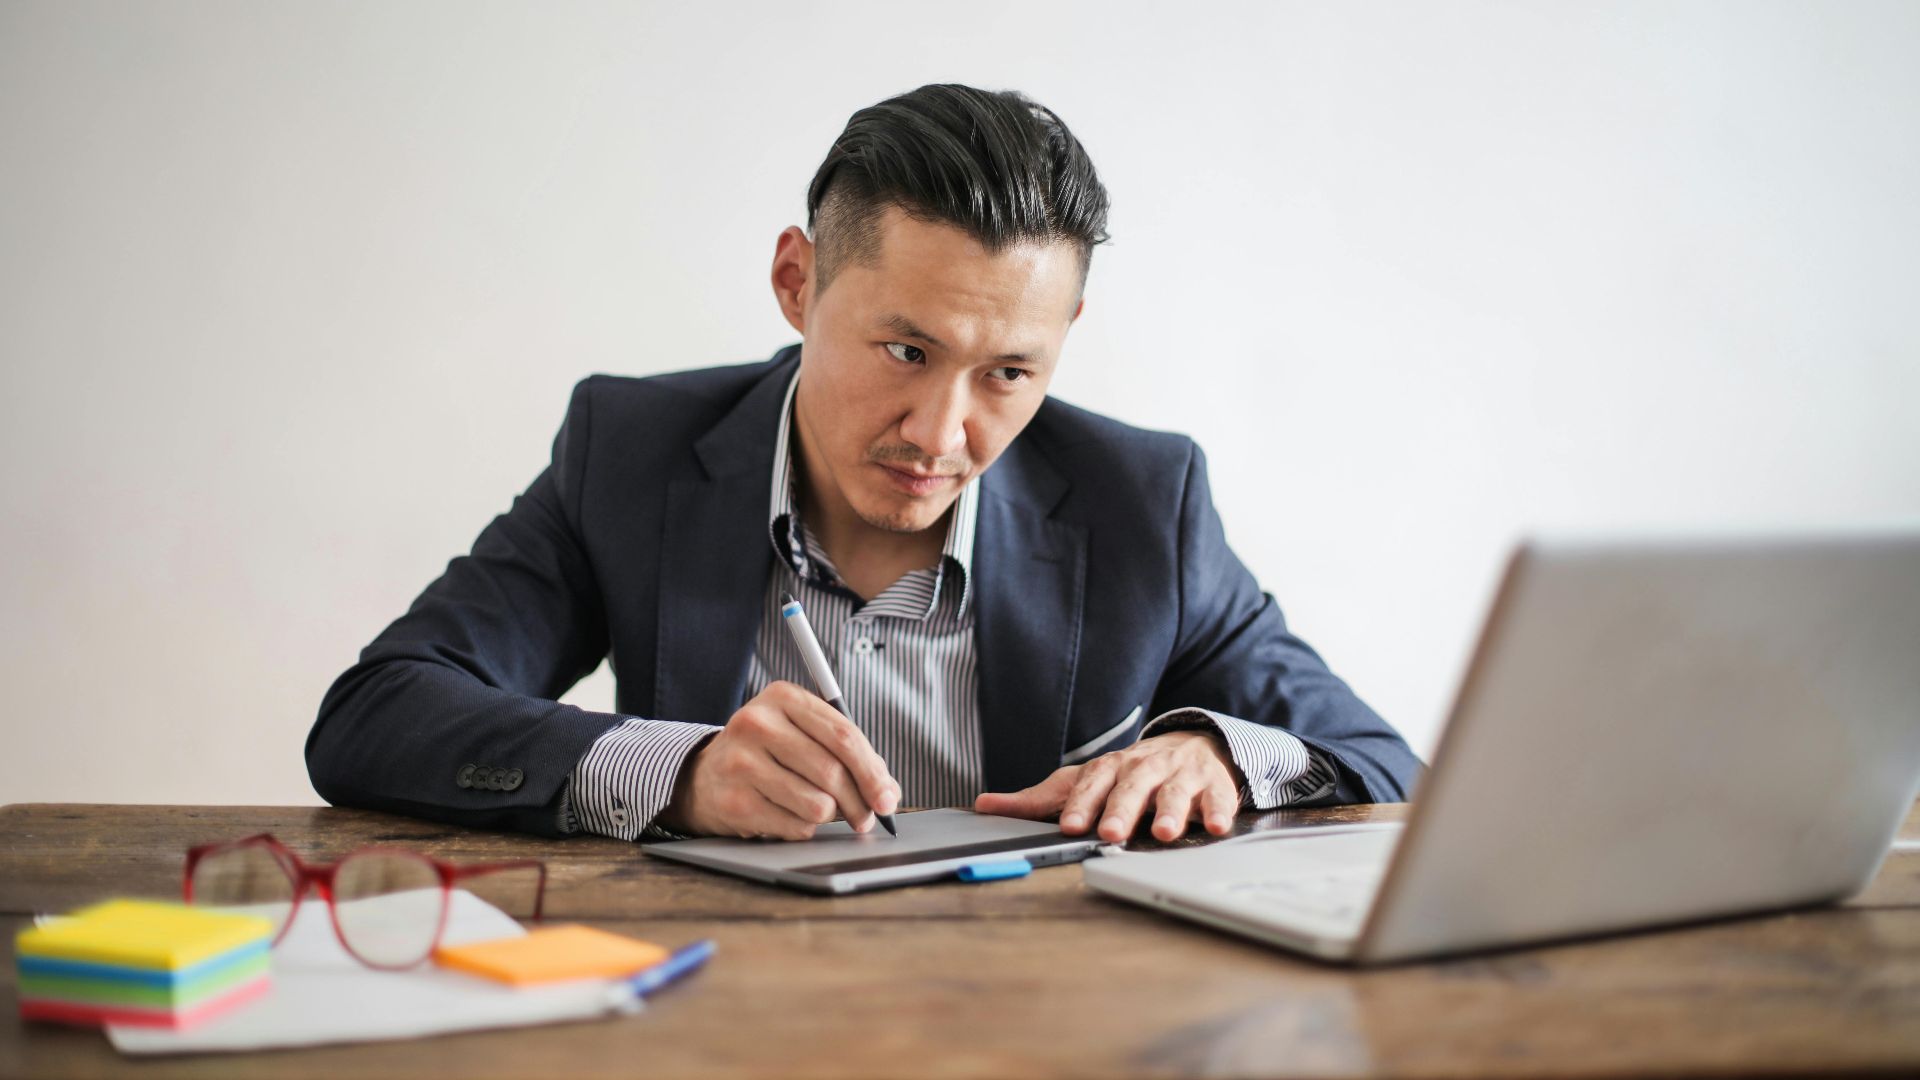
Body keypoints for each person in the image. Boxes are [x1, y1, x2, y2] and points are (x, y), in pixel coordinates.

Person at [307, 83, 1424, 846]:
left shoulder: (1146, 505)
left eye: (1009, 373)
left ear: (1068, 332)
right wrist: (680, 774)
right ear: (797, 283)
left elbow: (1383, 762)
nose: (941, 435)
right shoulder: (630, 452)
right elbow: (377, 714)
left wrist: (1223, 761)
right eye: (906, 350)